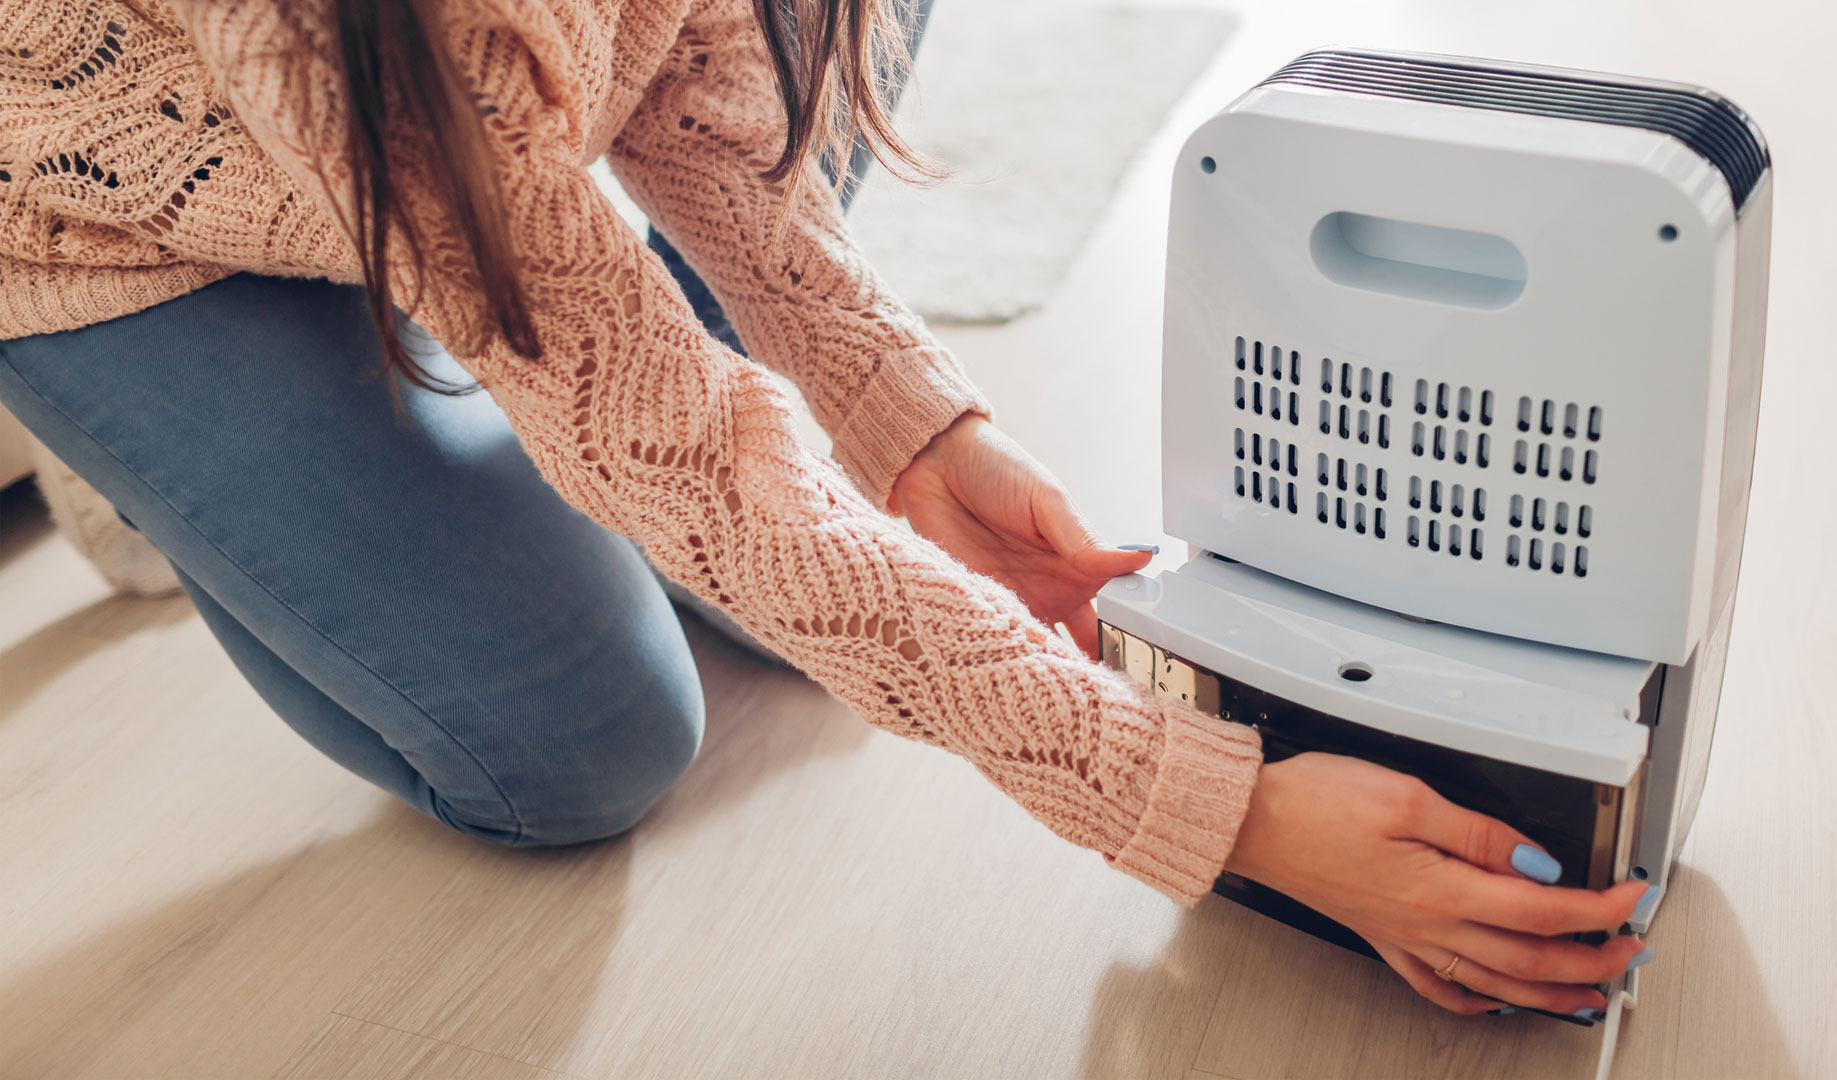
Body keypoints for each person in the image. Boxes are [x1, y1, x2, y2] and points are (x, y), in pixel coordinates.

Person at [0, 0, 1653, 1020]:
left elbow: (683, 88)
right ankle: (196, 425)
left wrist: (903, 424)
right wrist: (1201, 805)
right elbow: (691, 459)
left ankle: (481, 283)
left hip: (433, 133)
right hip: (109, 209)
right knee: (579, 750)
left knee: (761, 540)